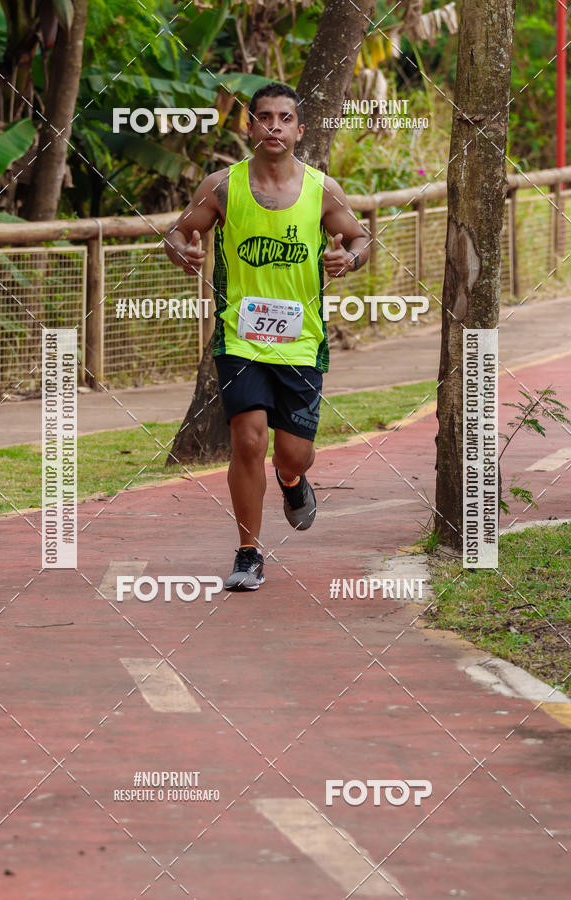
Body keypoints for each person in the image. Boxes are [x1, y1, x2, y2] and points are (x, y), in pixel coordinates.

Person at [165, 82, 369, 591]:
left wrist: (351, 258)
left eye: (284, 118)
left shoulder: (323, 190)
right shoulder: (222, 186)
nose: (273, 126)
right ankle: (249, 552)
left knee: (291, 454)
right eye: (264, 118)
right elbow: (177, 231)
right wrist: (181, 251)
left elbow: (363, 237)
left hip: (302, 342)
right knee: (248, 440)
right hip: (240, 337)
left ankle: (294, 481)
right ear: (249, 127)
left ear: (299, 130)